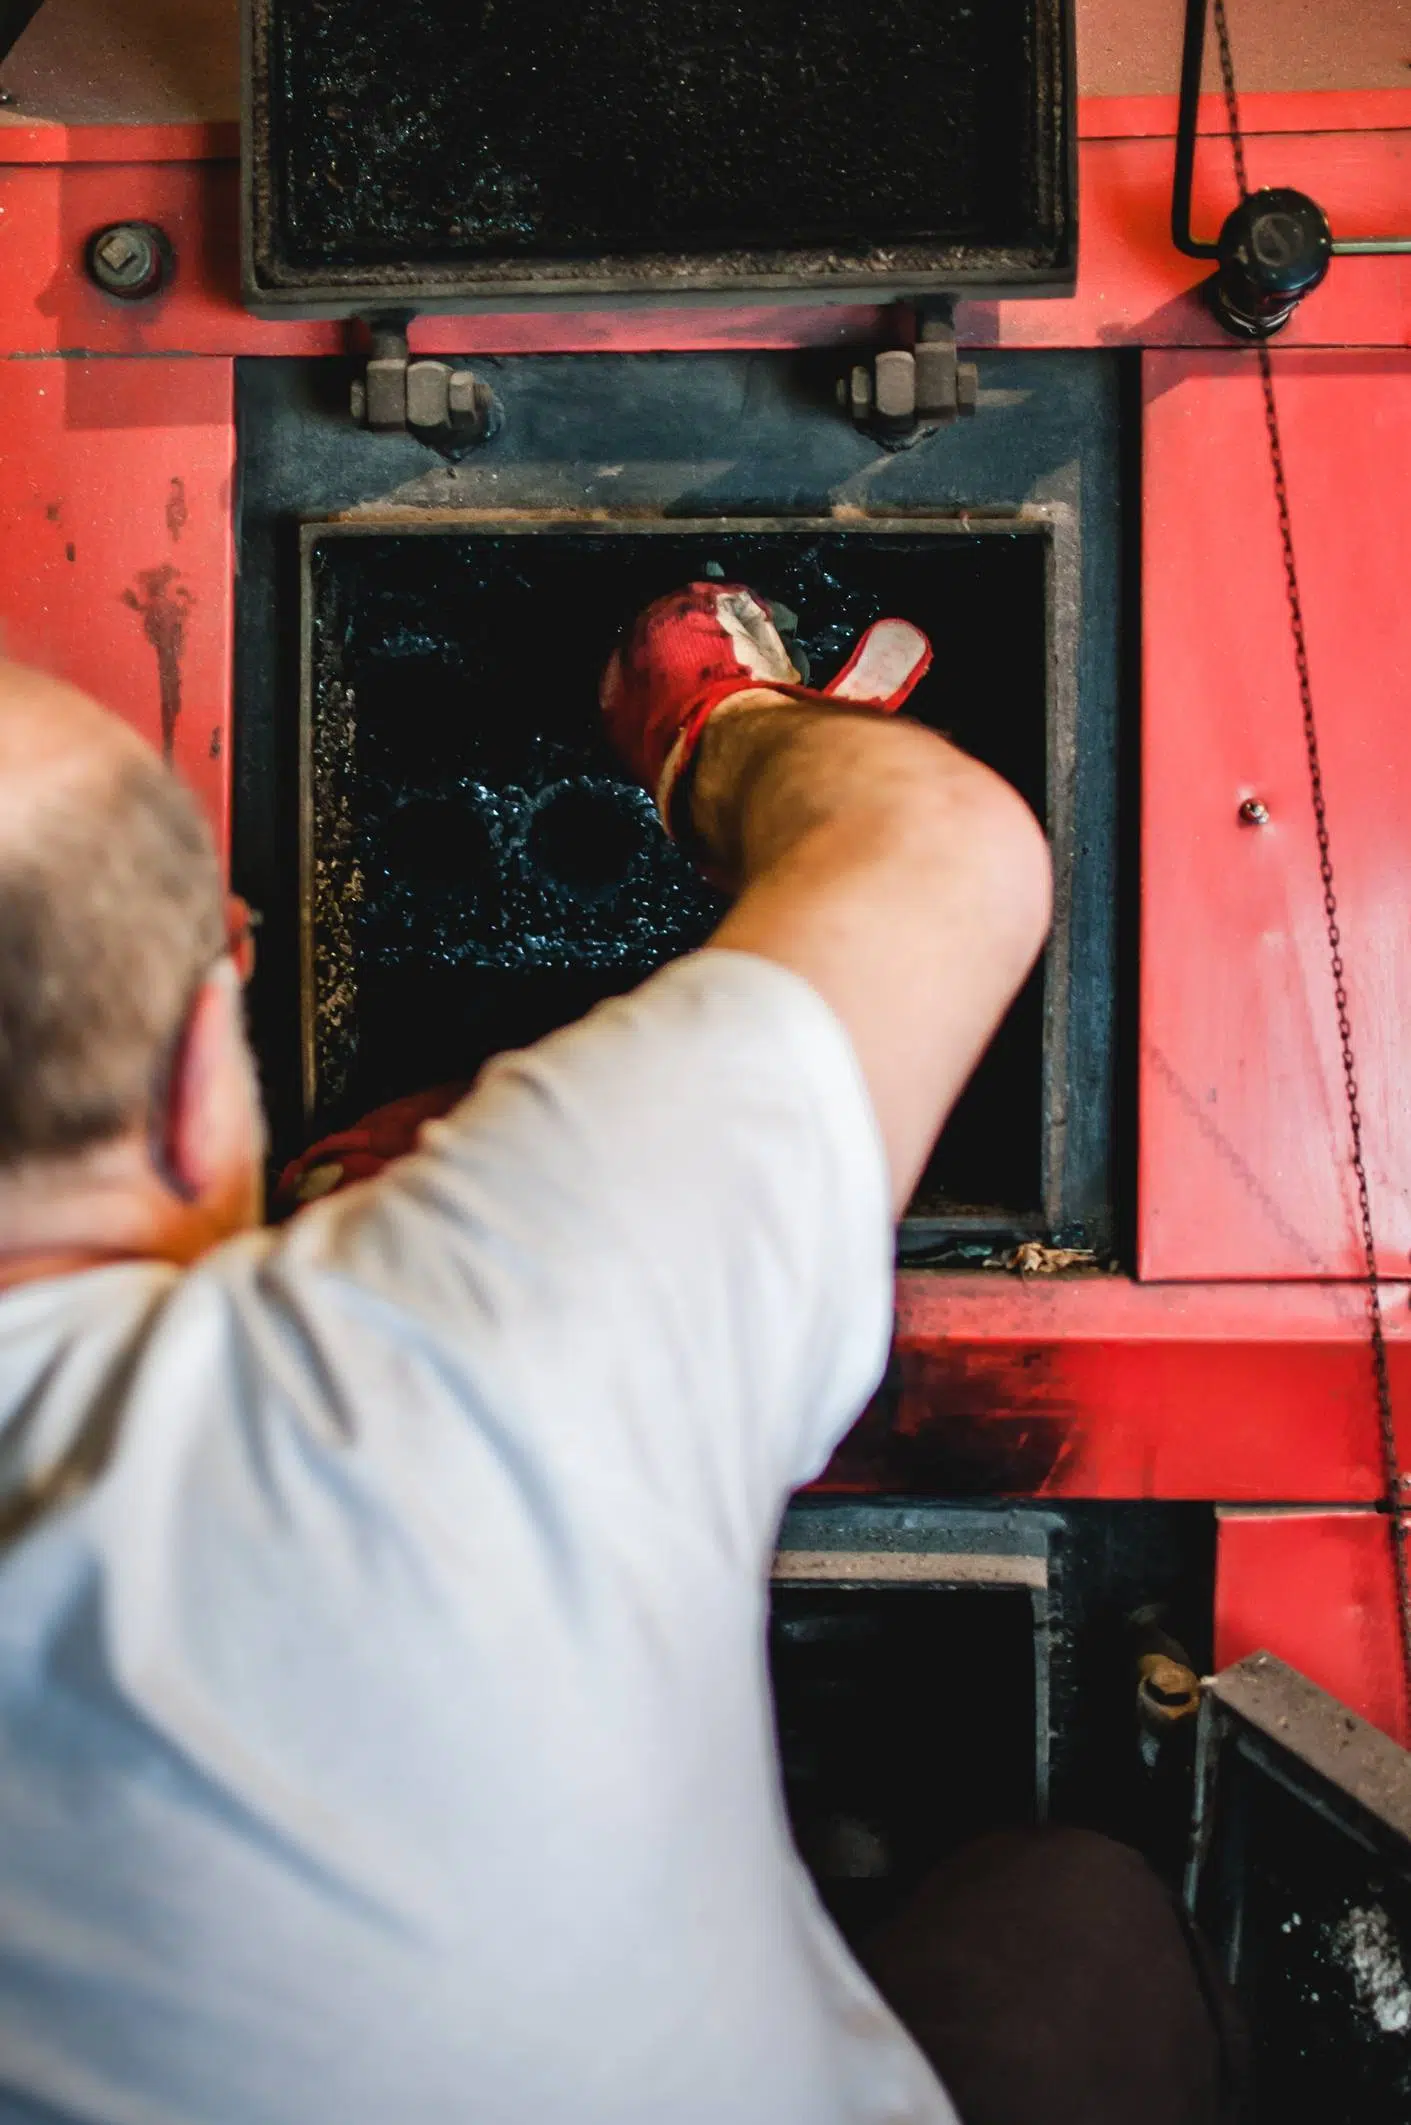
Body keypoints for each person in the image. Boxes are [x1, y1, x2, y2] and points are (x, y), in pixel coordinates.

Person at [0, 591, 1242, 2125]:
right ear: (203, 1060)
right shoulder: (484, 1324)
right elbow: (943, 854)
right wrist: (712, 721)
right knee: (1070, 1911)